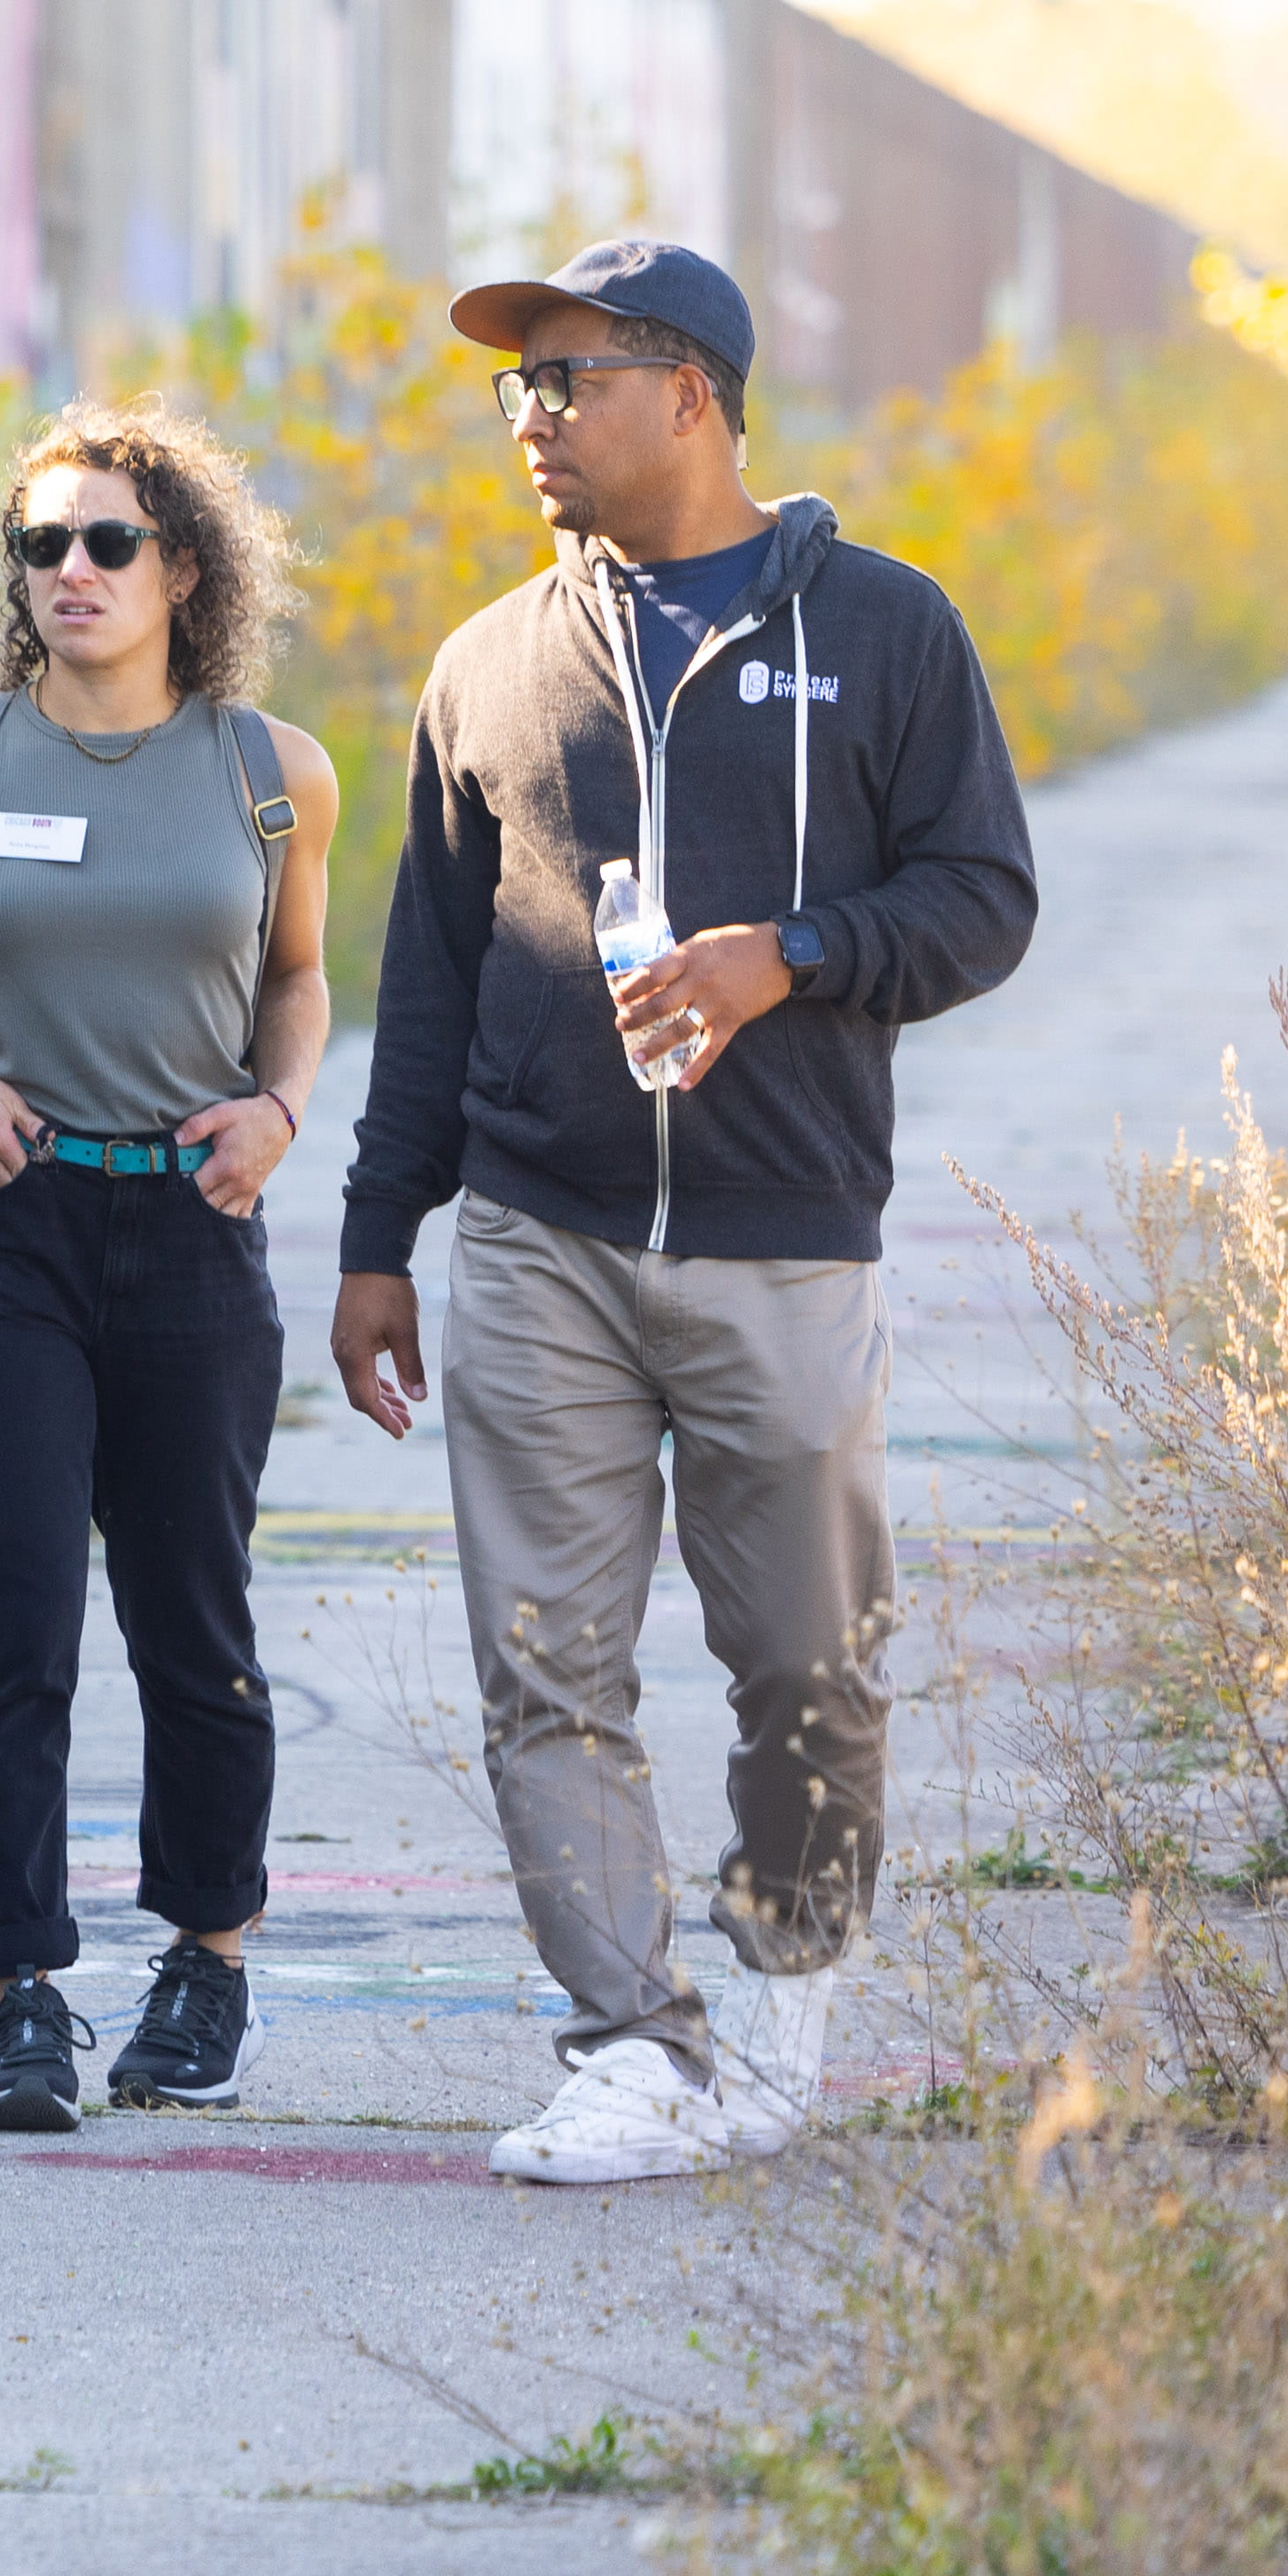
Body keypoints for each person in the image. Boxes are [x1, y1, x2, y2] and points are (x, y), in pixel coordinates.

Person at [327, 236, 1037, 2190]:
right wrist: (381, 1237)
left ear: (692, 398)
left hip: (785, 1235)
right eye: (515, 389)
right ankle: (627, 2044)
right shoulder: (486, 662)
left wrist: (789, 955)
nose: (529, 422)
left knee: (805, 1658)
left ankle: (783, 1996)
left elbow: (983, 898)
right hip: (540, 1239)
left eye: (565, 382)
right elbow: (435, 976)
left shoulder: (884, 630)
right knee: (544, 1666)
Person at [0, 406, 340, 2135]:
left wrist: (282, 1108)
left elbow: (296, 977)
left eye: (106, 544)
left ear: (182, 571)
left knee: (190, 1619)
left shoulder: (271, 768)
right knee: (7, 1620)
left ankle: (205, 1963)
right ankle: (18, 1999)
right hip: (6, 1227)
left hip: (195, 1228)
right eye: (39, 547)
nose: (68, 572)